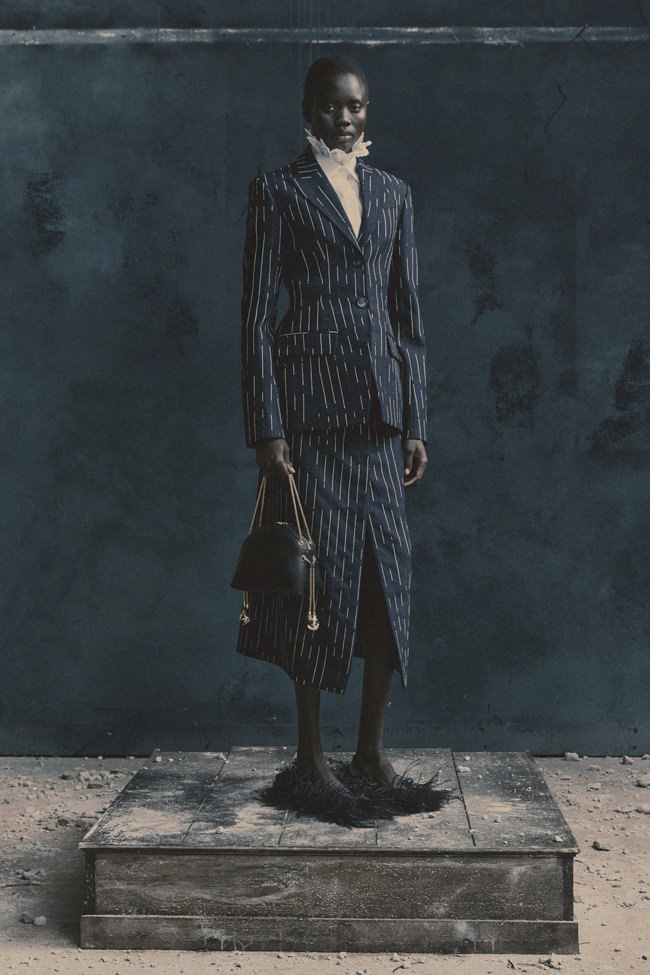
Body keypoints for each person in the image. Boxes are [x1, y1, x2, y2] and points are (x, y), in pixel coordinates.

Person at [237, 56, 427, 793]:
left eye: (356, 106)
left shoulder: (393, 192)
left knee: (385, 580)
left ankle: (370, 754)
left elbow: (407, 317)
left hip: (380, 417)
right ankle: (311, 758)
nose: (345, 119)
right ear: (307, 109)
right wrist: (267, 428)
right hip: (309, 419)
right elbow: (256, 320)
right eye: (330, 106)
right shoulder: (278, 191)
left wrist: (415, 420)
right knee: (313, 583)